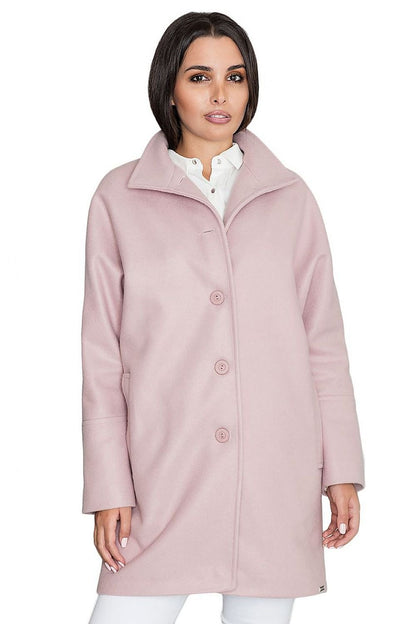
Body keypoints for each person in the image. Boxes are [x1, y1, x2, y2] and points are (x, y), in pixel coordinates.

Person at [81, 11, 365, 624]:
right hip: (162, 472)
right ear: (168, 87)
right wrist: (107, 485)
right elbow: (101, 355)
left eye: (234, 77)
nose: (219, 95)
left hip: (273, 473)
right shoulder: (118, 197)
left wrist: (341, 468)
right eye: (199, 76)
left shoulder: (291, 198)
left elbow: (324, 343)